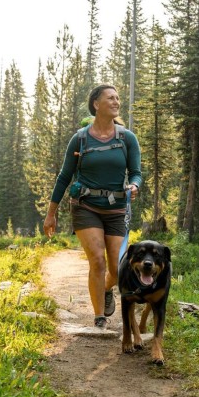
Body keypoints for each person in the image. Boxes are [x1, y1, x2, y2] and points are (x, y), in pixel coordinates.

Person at [43, 84, 142, 329]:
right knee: (97, 260)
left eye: (118, 98)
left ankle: (107, 288)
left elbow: (137, 173)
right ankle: (99, 317)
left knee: (117, 269)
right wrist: (51, 213)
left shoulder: (127, 138)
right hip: (86, 207)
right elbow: (64, 177)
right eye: (111, 98)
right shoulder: (80, 139)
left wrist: (135, 186)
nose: (116, 101)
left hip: (118, 209)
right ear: (96, 104)